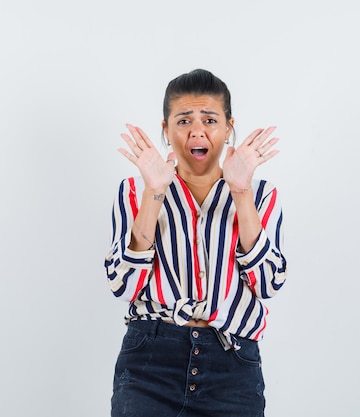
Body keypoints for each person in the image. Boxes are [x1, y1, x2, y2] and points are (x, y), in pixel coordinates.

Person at [104, 68, 287, 417]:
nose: (197, 130)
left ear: (229, 127)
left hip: (232, 365)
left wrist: (240, 191)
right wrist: (155, 193)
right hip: (149, 362)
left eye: (210, 119)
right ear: (166, 130)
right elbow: (123, 285)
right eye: (184, 120)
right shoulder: (134, 192)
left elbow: (267, 283)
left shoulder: (261, 196)